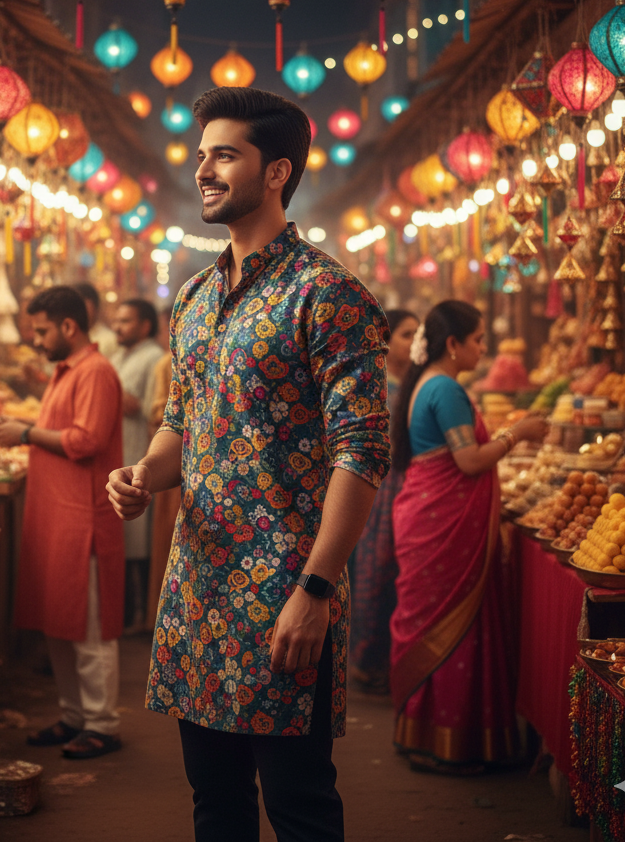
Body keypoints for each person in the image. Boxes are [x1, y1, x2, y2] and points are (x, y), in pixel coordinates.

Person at [107, 86, 391, 842]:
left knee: (299, 807)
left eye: (224, 154)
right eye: (202, 155)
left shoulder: (329, 296)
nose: (204, 169)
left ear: (276, 171)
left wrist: (318, 590)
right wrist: (142, 476)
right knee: (216, 806)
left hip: (284, 599)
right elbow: (183, 424)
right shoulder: (194, 298)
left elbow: (361, 454)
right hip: (197, 594)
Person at [388, 300, 547, 775]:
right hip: (444, 524)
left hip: (431, 515)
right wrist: (519, 433)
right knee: (455, 625)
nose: (483, 347)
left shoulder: (427, 385)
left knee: (444, 622)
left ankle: (424, 733)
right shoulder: (446, 389)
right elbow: (470, 462)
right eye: (478, 339)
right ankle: (452, 745)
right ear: (453, 344)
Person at [0, 286, 125, 759]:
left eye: (43, 330)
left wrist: (25, 432)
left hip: (81, 521)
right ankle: (74, 716)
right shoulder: (65, 371)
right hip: (55, 518)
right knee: (58, 623)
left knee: (88, 629)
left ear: (69, 327)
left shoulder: (95, 372)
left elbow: (85, 439)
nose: (38, 339)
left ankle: (102, 723)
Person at [347, 308, 419, 695]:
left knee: (395, 574)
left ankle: (388, 659)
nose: (414, 342)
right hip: (379, 488)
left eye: (417, 334)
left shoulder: (411, 383)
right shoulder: (375, 385)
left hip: (405, 487)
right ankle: (366, 659)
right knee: (373, 571)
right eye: (407, 334)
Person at [110, 298, 165, 630]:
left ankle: (143, 615)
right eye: (116, 320)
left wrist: (104, 386)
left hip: (143, 455)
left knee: (140, 540)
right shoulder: (121, 356)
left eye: (126, 321)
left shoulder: (155, 359)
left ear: (145, 326)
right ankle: (130, 612)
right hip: (120, 454)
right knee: (127, 538)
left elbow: (149, 411)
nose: (118, 327)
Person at [143, 348, 179, 631]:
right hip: (175, 467)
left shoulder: (164, 362)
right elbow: (170, 419)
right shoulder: (168, 362)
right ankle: (160, 619)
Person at [73, 281, 119, 359]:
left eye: (83, 307)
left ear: (95, 307)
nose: (78, 312)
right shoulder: (71, 338)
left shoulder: (109, 340)